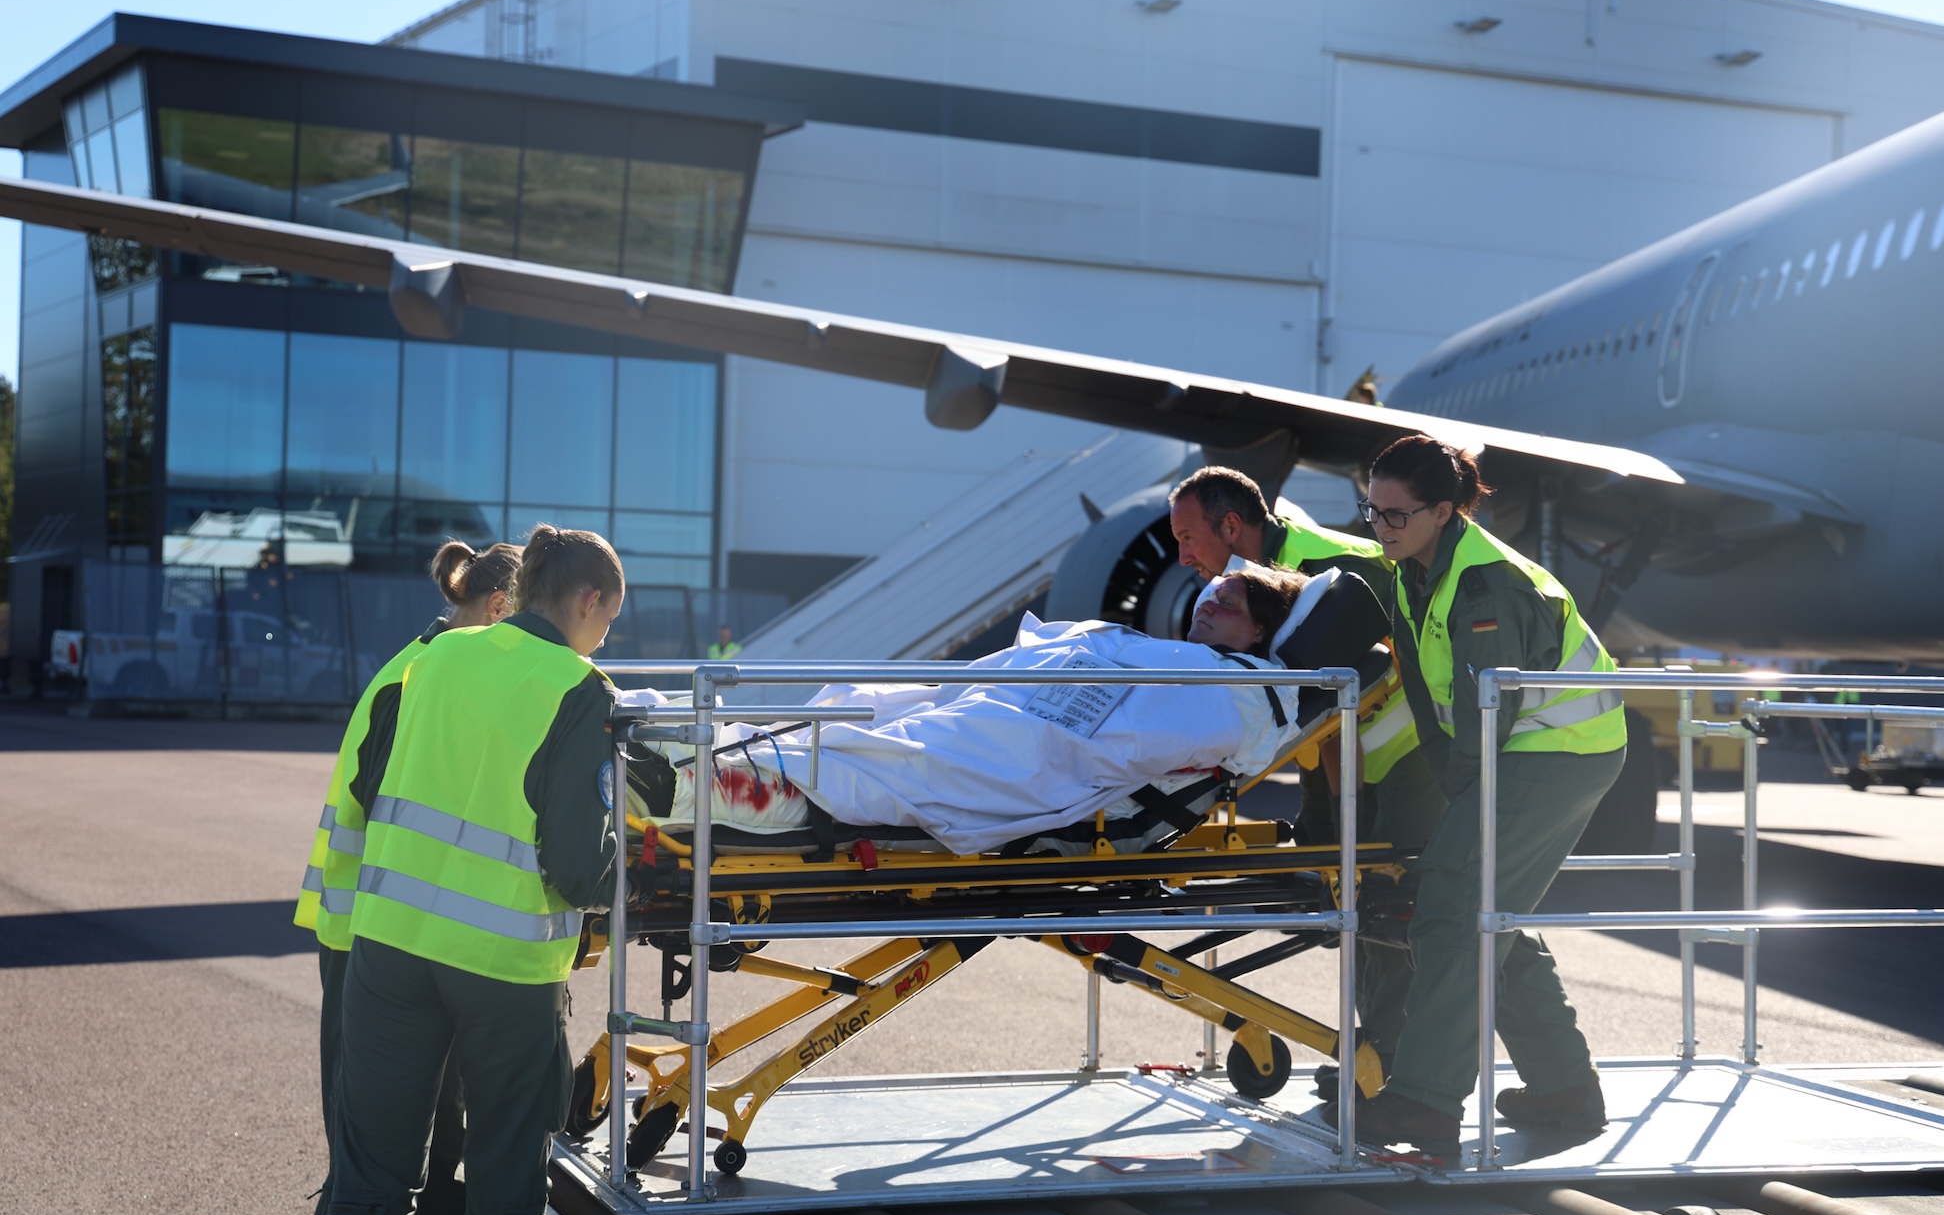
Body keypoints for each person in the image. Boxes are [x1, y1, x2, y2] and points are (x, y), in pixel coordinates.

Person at [320, 525, 625, 1215]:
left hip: (389, 946)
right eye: (609, 619)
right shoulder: (582, 691)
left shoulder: (440, 655)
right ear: (588, 600)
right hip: (503, 971)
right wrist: (637, 877)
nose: (605, 639)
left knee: (369, 1184)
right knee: (504, 1187)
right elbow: (580, 865)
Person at [1354, 435, 1626, 1155]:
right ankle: (1564, 1085)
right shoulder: (1413, 568)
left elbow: (1485, 714)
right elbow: (1427, 694)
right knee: (1486, 913)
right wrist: (1455, 789)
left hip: (1559, 748)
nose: (1380, 527)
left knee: (1452, 905)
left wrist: (1462, 811)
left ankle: (1426, 1102)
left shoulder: (1486, 586)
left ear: (1443, 511)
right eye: (1371, 512)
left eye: (1395, 515)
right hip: (1511, 747)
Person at [650, 566, 1310, 856]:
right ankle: (686, 737)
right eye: (1208, 593)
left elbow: (1142, 744)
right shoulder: (1166, 654)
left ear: (1258, 632)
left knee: (904, 759)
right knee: (862, 708)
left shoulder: (1243, 691)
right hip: (1004, 701)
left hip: (1035, 752)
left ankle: (704, 779)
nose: (1204, 603)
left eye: (1225, 603)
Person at [1168, 466, 1444, 1084]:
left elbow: (1394, 664)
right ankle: (1377, 1052)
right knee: (1364, 901)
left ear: (1232, 526)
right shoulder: (1247, 586)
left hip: (1409, 754)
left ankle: (1393, 1063)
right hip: (1354, 752)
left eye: (1189, 536)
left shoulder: (1340, 571)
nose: (1182, 555)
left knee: (1398, 898)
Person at [297, 539, 521, 1215]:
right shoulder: (424, 675)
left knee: (428, 1144)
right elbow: (402, 803)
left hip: (408, 935)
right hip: (371, 938)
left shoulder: (430, 666)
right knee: (371, 1166)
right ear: (497, 606)